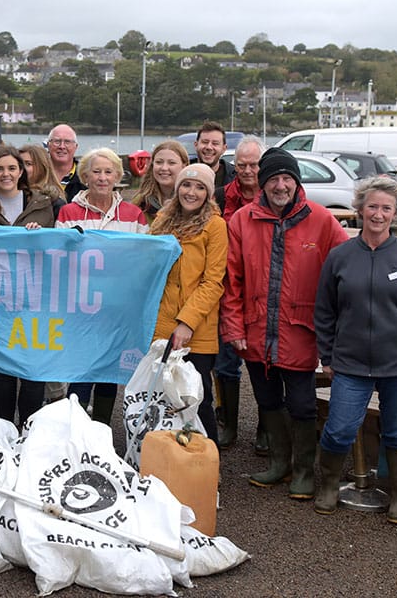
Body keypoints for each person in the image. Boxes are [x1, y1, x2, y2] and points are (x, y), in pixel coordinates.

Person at [313, 177, 397, 525]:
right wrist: (328, 356)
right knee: (339, 429)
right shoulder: (340, 257)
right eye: (372, 206)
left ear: (395, 213)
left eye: (386, 208)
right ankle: (327, 486)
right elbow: (324, 311)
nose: (378, 214)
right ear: (359, 209)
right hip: (350, 363)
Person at [222, 147, 346, 500]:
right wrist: (233, 327)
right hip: (256, 331)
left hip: (301, 331)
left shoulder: (322, 220)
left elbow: (343, 272)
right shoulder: (242, 220)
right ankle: (280, 462)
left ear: (296, 181)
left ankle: (305, 470)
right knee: (267, 399)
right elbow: (232, 281)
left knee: (303, 404)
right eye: (273, 179)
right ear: (262, 184)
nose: (281, 185)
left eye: (287, 178)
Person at [0, 145, 56, 428]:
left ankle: (28, 429)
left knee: (32, 369)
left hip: (34, 298)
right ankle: (4, 428)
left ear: (21, 171)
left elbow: (56, 248)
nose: (6, 174)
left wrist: (43, 235)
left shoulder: (42, 204)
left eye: (12, 168)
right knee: (3, 369)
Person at [57, 147, 149, 425]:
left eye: (108, 171)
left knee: (110, 372)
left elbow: (145, 259)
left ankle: (101, 428)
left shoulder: (134, 215)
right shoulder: (67, 212)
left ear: (117, 177)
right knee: (82, 370)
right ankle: (74, 429)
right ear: (85, 176)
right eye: (96, 171)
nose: (102, 177)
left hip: (118, 310)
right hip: (81, 308)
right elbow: (60, 259)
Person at [149, 164, 227, 446]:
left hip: (196, 329)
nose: (191, 192)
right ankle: (164, 456)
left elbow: (213, 282)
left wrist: (186, 322)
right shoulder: (161, 221)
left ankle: (206, 461)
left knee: (196, 397)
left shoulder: (215, 226)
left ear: (208, 194)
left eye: (199, 187)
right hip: (161, 323)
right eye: (186, 185)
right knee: (161, 396)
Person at [214, 135, 268, 452]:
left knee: (263, 364)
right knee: (225, 363)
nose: (248, 170)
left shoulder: (274, 194)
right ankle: (228, 424)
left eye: (254, 164)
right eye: (243, 164)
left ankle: (266, 429)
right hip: (228, 287)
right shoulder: (221, 196)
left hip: (263, 289)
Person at [131, 140, 189, 222]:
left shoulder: (191, 201)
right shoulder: (139, 202)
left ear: (184, 166)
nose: (164, 168)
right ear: (152, 165)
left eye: (171, 163)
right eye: (159, 162)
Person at [194, 120, 235, 193]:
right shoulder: (182, 172)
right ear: (196, 145)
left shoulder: (235, 177)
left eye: (215, 143)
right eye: (205, 142)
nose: (209, 147)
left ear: (224, 149)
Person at [47, 124, 86, 200]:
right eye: (57, 141)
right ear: (48, 145)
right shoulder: (38, 174)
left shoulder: (85, 177)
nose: (62, 146)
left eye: (67, 142)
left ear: (76, 147)